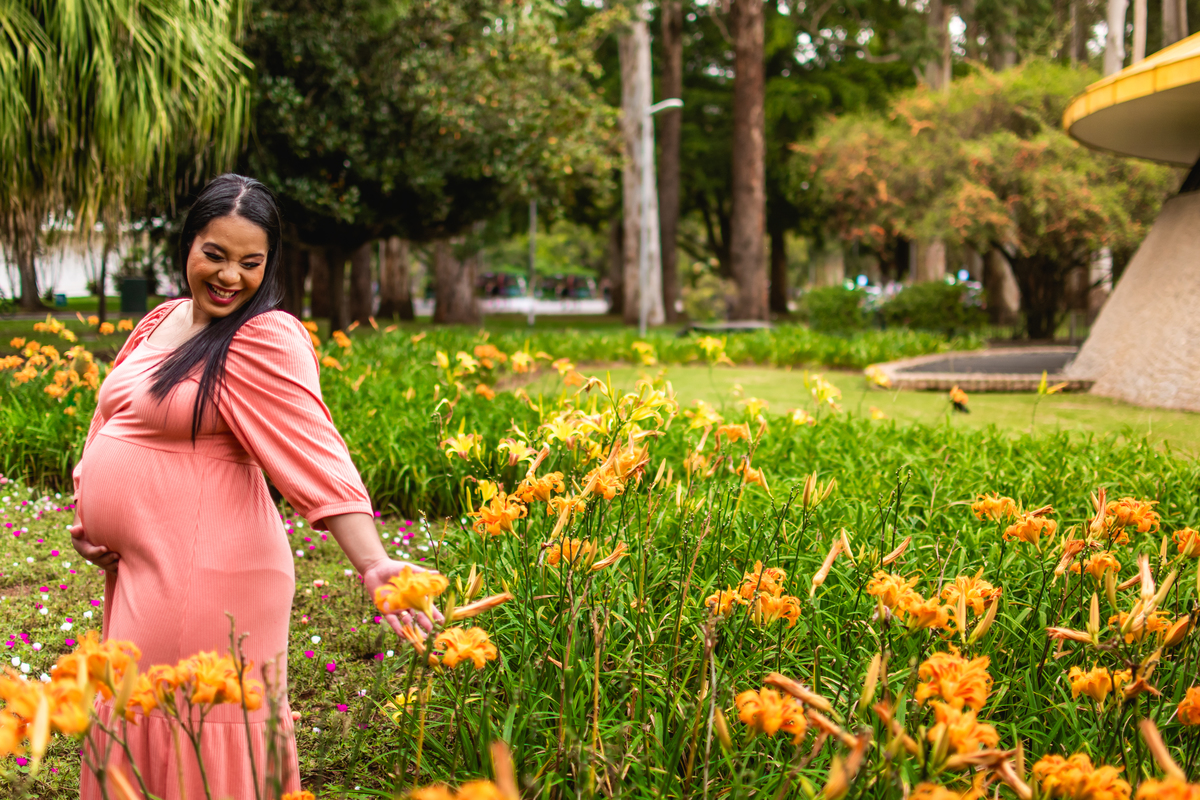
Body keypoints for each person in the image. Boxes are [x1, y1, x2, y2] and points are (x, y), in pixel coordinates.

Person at [70, 174, 440, 798]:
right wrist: (89, 517)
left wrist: (374, 564)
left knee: (187, 725)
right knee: (138, 716)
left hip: (209, 573)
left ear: (268, 266)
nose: (229, 277)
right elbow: (111, 416)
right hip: (143, 567)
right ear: (188, 246)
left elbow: (316, 450)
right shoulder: (161, 320)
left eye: (250, 262)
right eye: (214, 254)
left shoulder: (261, 336)